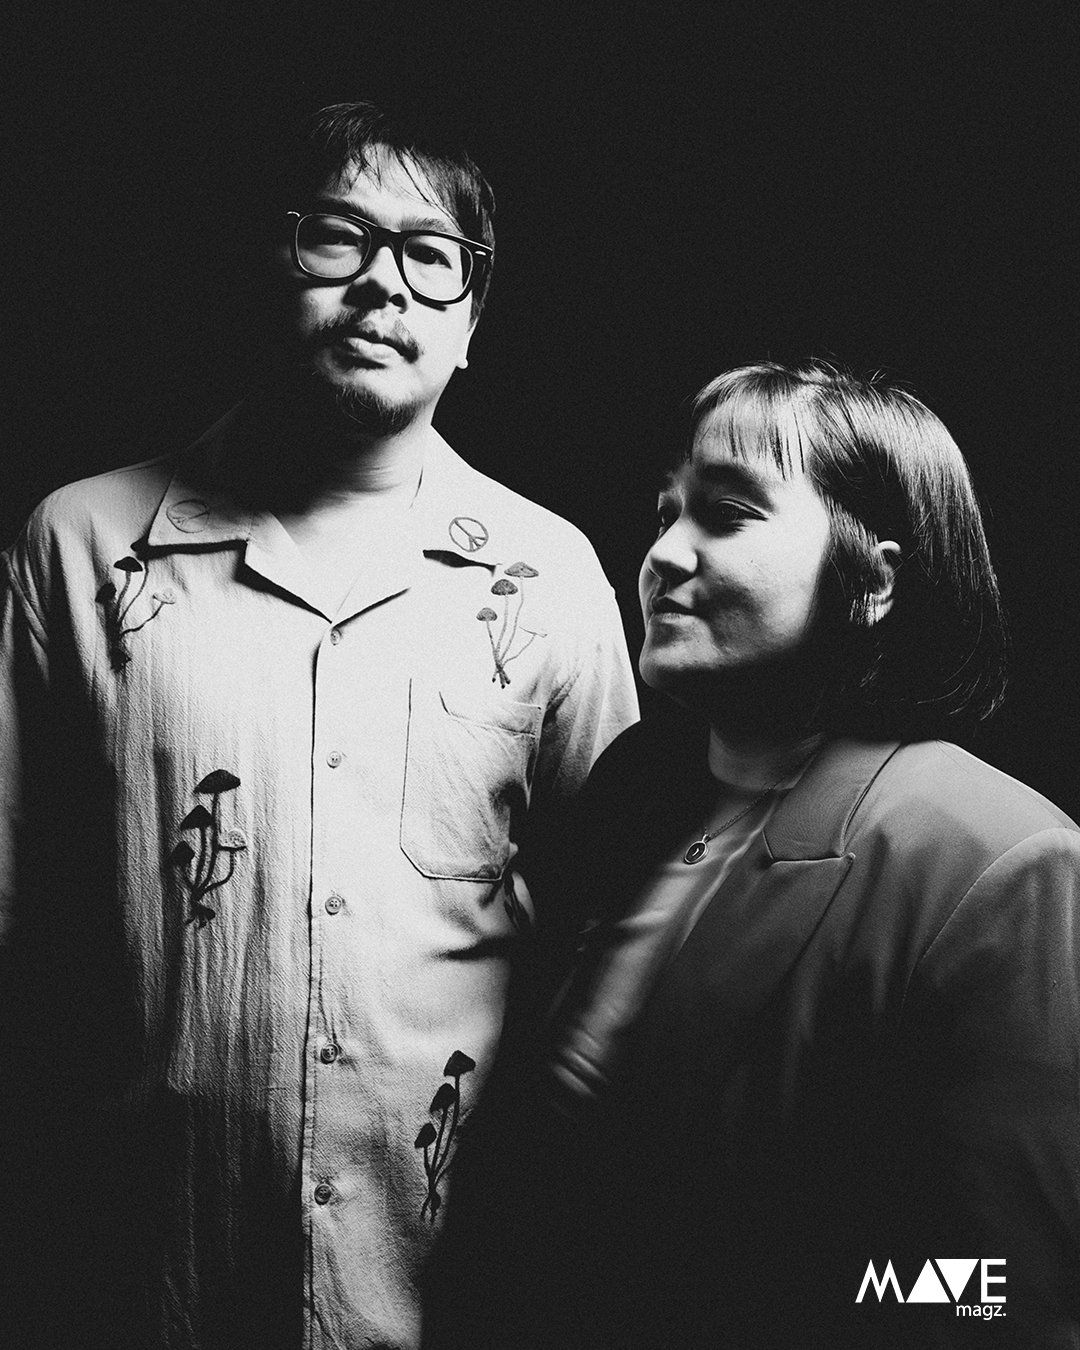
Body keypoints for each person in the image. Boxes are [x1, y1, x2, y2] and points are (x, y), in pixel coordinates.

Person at [0, 101, 636, 1349]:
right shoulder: (78, 547)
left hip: (453, 1285)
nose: (382, 283)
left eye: (430, 253)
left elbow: (620, 925)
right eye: (339, 236)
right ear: (273, 266)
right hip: (146, 1269)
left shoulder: (551, 577)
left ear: (472, 321)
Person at [513, 362, 1077, 1348]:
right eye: (665, 513)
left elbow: (1002, 1290)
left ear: (875, 581)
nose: (662, 555)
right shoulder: (632, 792)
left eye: (727, 514)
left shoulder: (999, 862)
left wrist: (773, 1293)